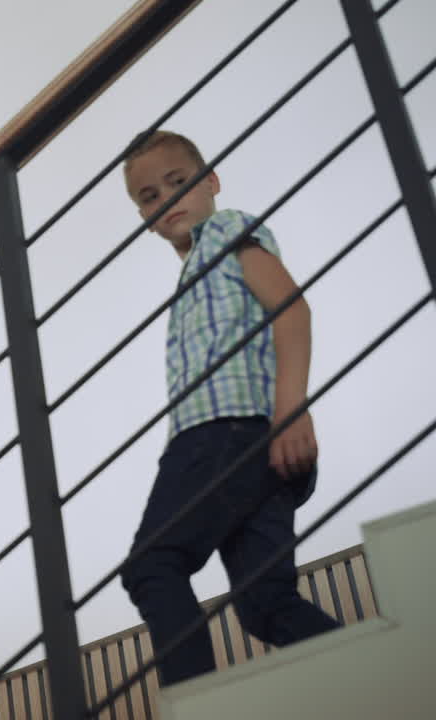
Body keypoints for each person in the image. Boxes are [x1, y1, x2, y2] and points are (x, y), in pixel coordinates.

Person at [118, 130, 340, 688]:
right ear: (144, 216)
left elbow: (291, 309)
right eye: (149, 196)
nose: (166, 200)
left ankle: (195, 702)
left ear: (211, 182)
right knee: (265, 605)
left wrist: (292, 411)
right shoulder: (196, 269)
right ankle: (370, 668)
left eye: (178, 182)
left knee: (153, 565)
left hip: (225, 435)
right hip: (253, 449)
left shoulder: (224, 230)